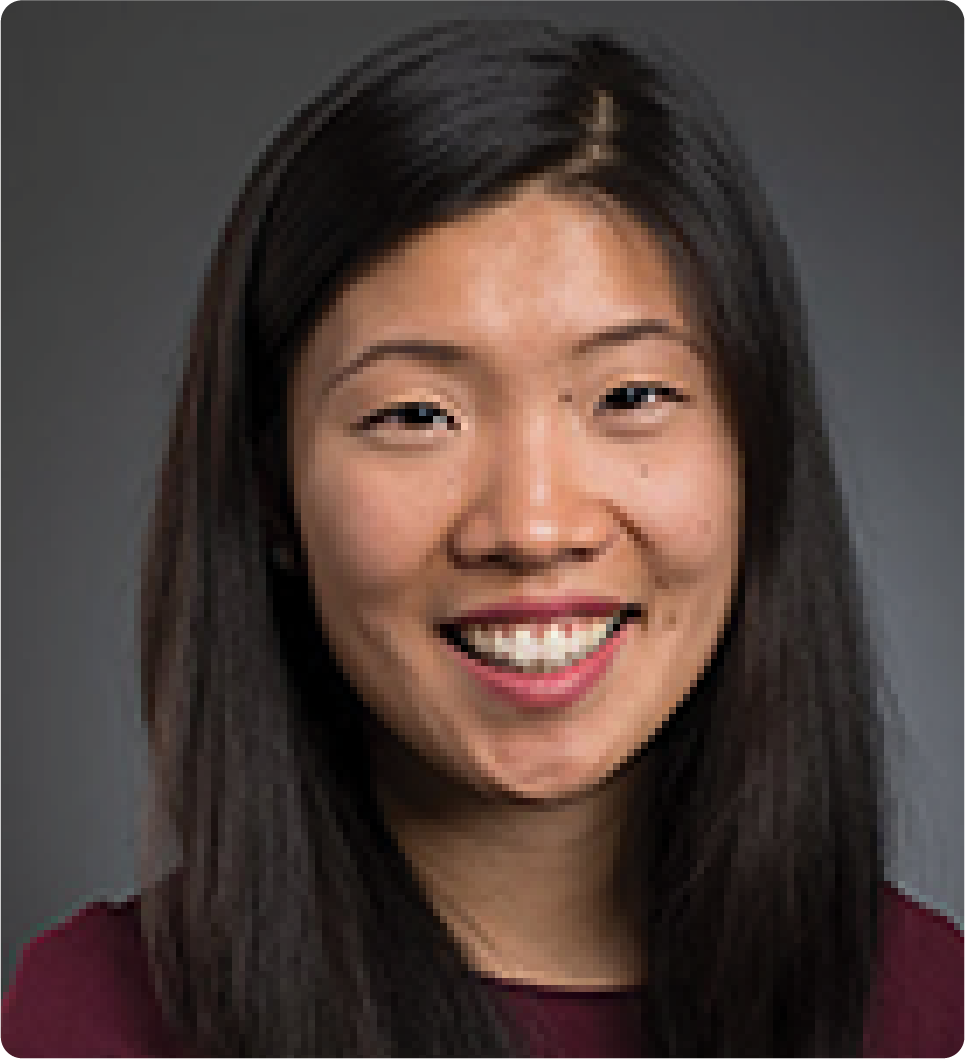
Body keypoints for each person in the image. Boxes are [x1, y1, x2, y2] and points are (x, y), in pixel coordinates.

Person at [2, 16, 963, 1059]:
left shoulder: (930, 1011)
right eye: (415, 415)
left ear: (755, 455)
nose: (533, 527)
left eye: (631, 395)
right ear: (272, 494)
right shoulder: (89, 1024)